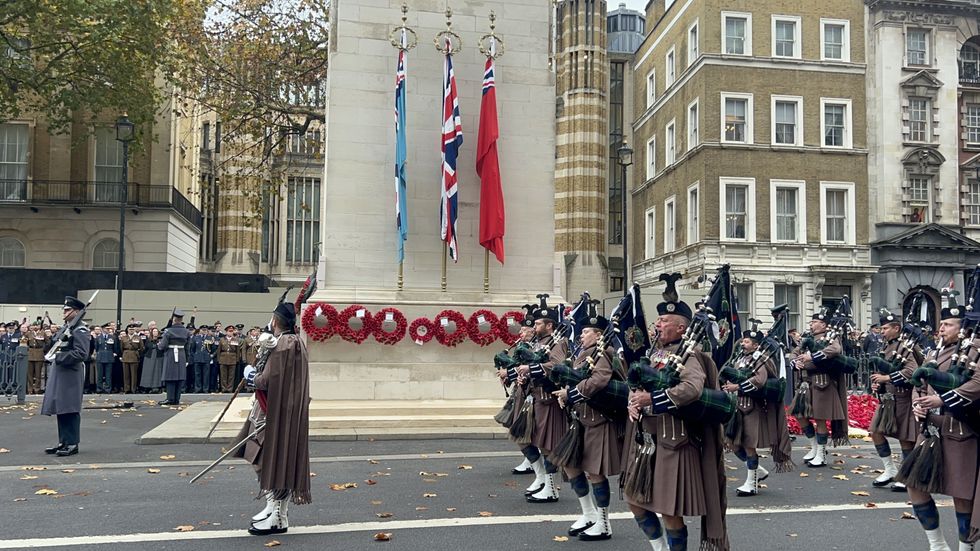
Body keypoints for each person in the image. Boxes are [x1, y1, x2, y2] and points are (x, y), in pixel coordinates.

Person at [623, 284, 729, 551]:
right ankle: (660, 547)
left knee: (669, 510)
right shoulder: (654, 353)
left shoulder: (690, 355)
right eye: (658, 319)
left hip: (675, 441)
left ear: (681, 328)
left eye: (664, 320)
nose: (658, 324)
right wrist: (633, 400)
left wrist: (651, 399)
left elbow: (691, 389)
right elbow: (640, 384)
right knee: (634, 501)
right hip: (648, 442)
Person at [904, 297, 976, 551]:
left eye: (947, 324)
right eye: (941, 323)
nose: (941, 328)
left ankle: (964, 549)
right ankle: (938, 545)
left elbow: (974, 386)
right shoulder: (934, 352)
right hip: (931, 430)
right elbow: (918, 383)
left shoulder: (972, 353)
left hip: (959, 430)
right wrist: (917, 402)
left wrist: (940, 397)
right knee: (914, 485)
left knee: (962, 495)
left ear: (962, 329)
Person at [235, 302, 311, 536]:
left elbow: (266, 380)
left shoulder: (283, 345)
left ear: (276, 321)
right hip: (284, 412)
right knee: (275, 460)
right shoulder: (296, 342)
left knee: (267, 460)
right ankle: (274, 509)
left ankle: (277, 514)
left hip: (272, 413)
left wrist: (251, 376)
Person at [553, 303, 623, 541]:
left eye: (586, 332)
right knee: (570, 465)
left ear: (599, 334)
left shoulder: (605, 353)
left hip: (599, 420)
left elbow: (599, 380)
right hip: (581, 419)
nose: (581, 335)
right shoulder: (582, 354)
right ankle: (589, 512)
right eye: (581, 332)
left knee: (595, 473)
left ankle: (604, 523)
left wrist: (570, 394)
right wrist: (566, 393)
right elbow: (577, 379)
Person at [721, 322, 792, 497]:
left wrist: (737, 387)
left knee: (749, 446)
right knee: (733, 444)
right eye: (743, 341)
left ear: (755, 345)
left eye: (747, 342)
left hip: (752, 408)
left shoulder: (760, 359)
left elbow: (760, 381)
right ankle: (758, 470)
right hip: (737, 407)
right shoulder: (739, 358)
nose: (743, 344)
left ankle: (751, 483)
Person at [516, 295, 569, 503]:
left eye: (538, 323)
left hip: (549, 399)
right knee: (541, 444)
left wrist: (531, 368)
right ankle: (546, 484)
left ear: (549, 325)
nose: (534, 325)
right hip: (537, 398)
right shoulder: (540, 343)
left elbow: (557, 366)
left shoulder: (557, 342)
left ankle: (551, 487)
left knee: (548, 447)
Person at [868, 309, 920, 492]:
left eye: (885, 328)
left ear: (896, 328)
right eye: (881, 328)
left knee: (905, 439)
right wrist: (878, 384)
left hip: (903, 397)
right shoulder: (886, 346)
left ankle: (905, 476)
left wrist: (886, 379)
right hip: (888, 399)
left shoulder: (907, 347)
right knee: (875, 431)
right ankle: (890, 469)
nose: (882, 331)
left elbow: (912, 372)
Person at [794, 310, 848, 468]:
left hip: (822, 382)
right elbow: (794, 353)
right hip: (805, 384)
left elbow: (835, 350)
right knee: (800, 415)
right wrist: (795, 362)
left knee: (820, 419)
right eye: (811, 322)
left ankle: (822, 453)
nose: (811, 324)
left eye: (814, 322)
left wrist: (812, 356)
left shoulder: (831, 337)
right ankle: (815, 446)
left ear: (823, 324)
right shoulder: (807, 338)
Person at [40, 297, 90, 457]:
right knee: (61, 407)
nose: (64, 312)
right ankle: (64, 441)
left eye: (68, 310)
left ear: (76, 312)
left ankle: (73, 443)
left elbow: (81, 353)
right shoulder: (67, 328)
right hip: (60, 372)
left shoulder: (80, 330)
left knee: (70, 407)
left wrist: (59, 357)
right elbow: (55, 345)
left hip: (70, 373)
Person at [158, 310, 190, 406]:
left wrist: (159, 345)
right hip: (181, 354)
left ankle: (170, 398)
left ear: (174, 319)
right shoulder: (186, 331)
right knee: (179, 377)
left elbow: (162, 346)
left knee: (170, 377)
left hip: (171, 354)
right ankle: (177, 398)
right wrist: (187, 359)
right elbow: (188, 347)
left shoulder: (168, 331)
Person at [26, 321, 49, 394]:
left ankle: (37, 388)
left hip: (39, 353)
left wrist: (43, 349)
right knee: (30, 373)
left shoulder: (43, 333)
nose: (35, 327)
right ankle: (30, 389)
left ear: (40, 326)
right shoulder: (29, 333)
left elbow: (48, 342)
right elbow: (24, 342)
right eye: (34, 325)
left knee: (38, 373)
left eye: (37, 325)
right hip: (30, 353)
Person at [94, 324, 117, 394]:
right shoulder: (98, 338)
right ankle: (99, 388)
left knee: (108, 374)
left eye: (109, 329)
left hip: (109, 356)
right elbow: (96, 347)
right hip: (100, 356)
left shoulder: (112, 337)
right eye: (107, 328)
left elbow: (115, 348)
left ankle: (108, 388)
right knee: (100, 374)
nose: (108, 330)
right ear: (103, 329)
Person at [119, 324, 142, 394]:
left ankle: (133, 389)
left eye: (132, 329)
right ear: (127, 330)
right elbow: (121, 348)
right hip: (126, 356)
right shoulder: (124, 338)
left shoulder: (138, 338)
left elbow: (141, 347)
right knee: (126, 374)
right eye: (130, 329)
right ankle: (127, 389)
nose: (131, 331)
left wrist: (137, 353)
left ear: (134, 330)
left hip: (134, 356)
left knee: (134, 374)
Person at [139, 327, 164, 393]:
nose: (155, 333)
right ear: (151, 333)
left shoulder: (161, 340)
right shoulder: (148, 340)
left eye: (156, 331)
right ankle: (147, 386)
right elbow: (145, 349)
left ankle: (157, 386)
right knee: (148, 372)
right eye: (154, 331)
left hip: (158, 357)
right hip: (149, 357)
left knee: (157, 372)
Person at [218, 325, 241, 392]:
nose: (230, 333)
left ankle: (229, 388)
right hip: (223, 358)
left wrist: (237, 359)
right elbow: (219, 350)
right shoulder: (222, 339)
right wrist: (219, 359)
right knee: (223, 375)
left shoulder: (235, 340)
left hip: (232, 358)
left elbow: (237, 350)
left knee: (231, 375)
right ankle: (224, 388)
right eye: (229, 331)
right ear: (226, 332)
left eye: (231, 331)